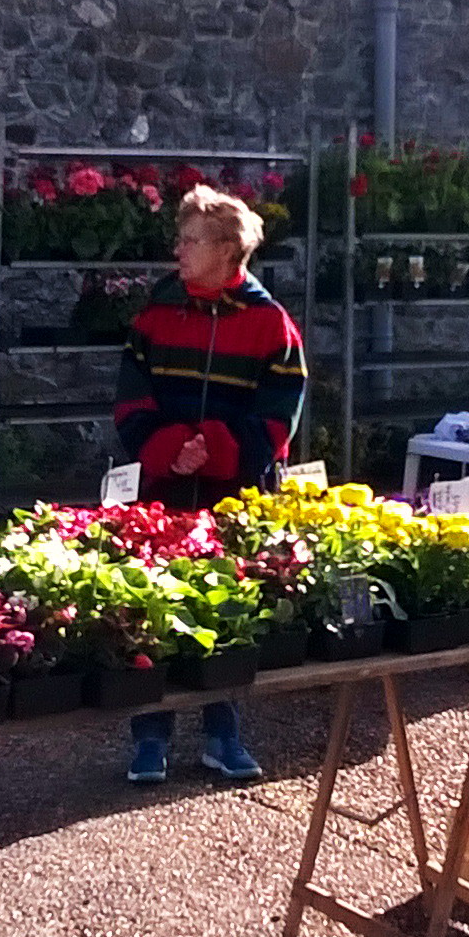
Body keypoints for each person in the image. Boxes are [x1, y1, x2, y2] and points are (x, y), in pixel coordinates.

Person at [111, 184, 308, 786]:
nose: (179, 250)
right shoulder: (156, 311)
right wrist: (170, 451)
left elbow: (281, 414)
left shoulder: (272, 325)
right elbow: (130, 395)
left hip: (232, 492)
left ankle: (223, 734)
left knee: (229, 609)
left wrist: (217, 452)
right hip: (161, 491)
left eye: (191, 240)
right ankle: (150, 737)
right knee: (148, 609)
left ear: (228, 250)